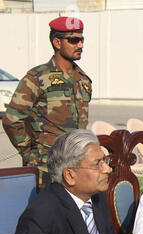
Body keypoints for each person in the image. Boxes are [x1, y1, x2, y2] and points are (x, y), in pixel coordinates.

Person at [8, 129, 128, 234]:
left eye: (105, 161)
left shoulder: (96, 198)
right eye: (98, 164)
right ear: (70, 175)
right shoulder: (42, 213)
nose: (107, 169)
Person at [2, 16, 92, 188]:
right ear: (57, 43)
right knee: (46, 214)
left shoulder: (83, 80)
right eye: (73, 40)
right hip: (46, 169)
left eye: (81, 40)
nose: (80, 45)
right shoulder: (37, 78)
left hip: (75, 166)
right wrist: (30, 154)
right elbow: (12, 120)